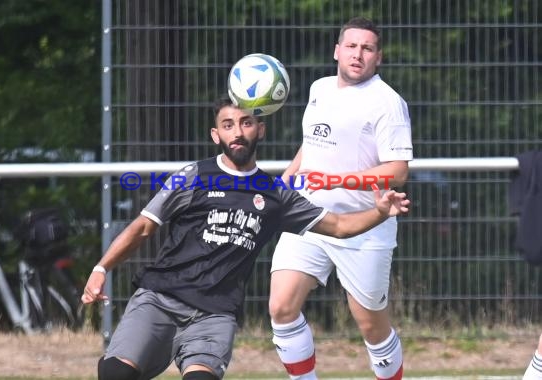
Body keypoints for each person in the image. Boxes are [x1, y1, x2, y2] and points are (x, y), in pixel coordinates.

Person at [81, 96, 411, 380]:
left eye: (246, 123)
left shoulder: (275, 195)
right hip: (160, 298)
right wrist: (101, 268)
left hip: (214, 314)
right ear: (215, 134)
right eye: (227, 125)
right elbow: (143, 226)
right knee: (116, 374)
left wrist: (380, 211)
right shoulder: (193, 176)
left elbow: (339, 226)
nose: (237, 132)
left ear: (260, 129)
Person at [268, 17, 413, 380]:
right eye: (351, 46)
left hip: (364, 227)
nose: (357, 54)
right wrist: (284, 183)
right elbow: (312, 143)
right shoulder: (319, 88)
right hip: (310, 217)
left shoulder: (388, 102)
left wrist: (337, 179)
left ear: (378, 57)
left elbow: (397, 170)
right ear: (337, 50)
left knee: (370, 326)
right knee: (281, 307)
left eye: (367, 48)